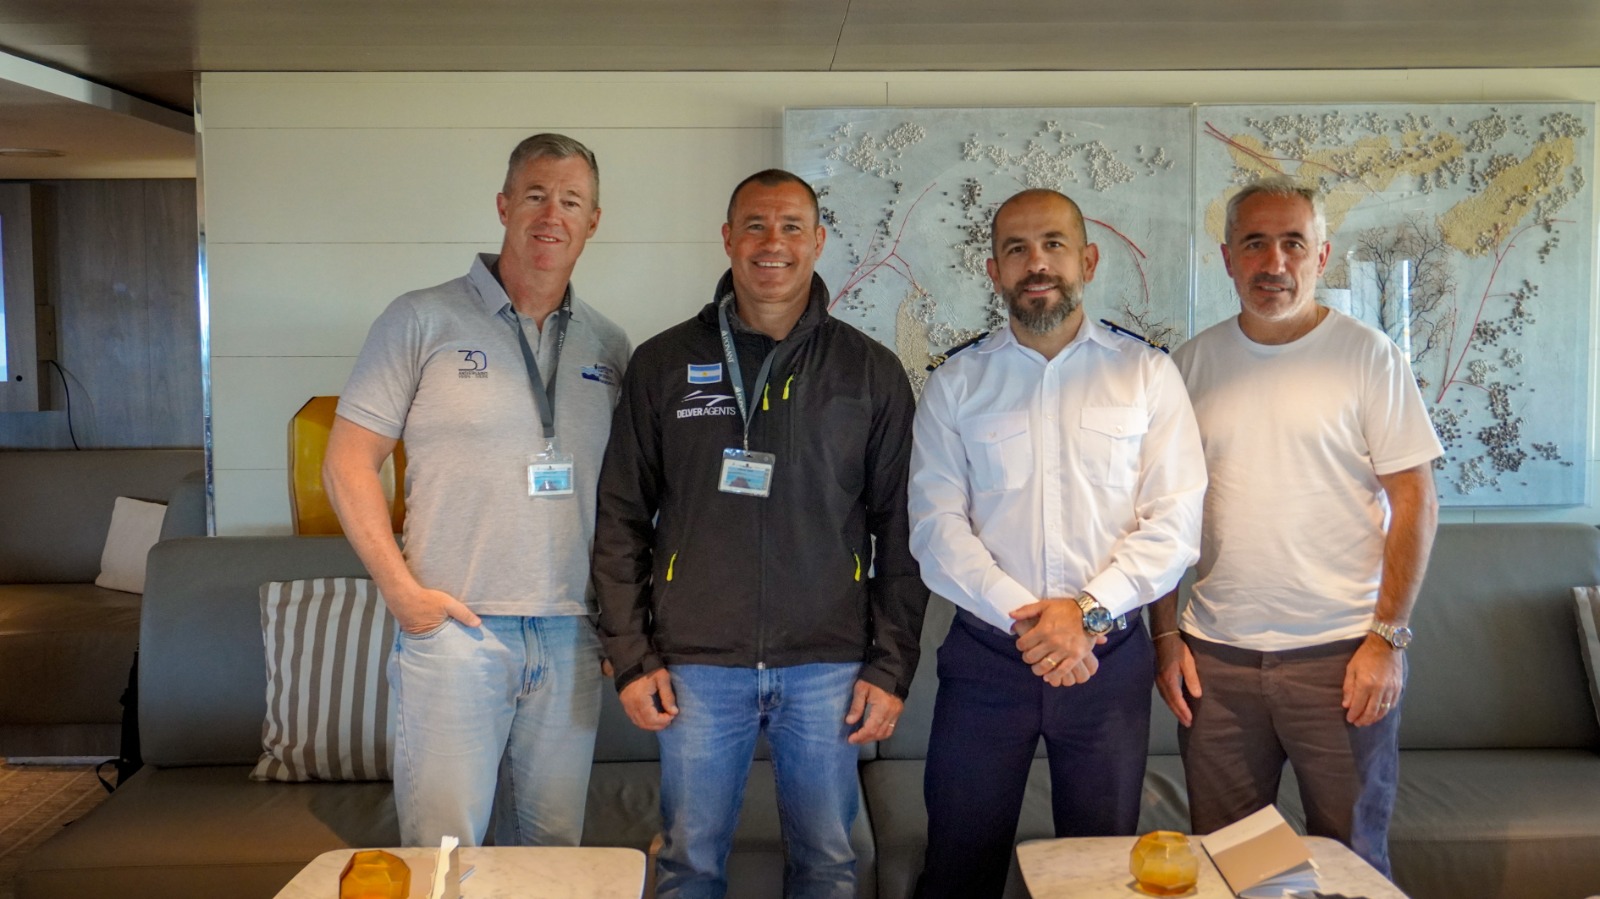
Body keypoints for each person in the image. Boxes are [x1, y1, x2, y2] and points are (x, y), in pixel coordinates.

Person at [593, 169, 927, 899]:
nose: (772, 242)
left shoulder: (869, 370)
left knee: (829, 865)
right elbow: (619, 517)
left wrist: (890, 666)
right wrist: (631, 655)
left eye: (790, 227)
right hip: (695, 664)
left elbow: (903, 532)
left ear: (818, 241)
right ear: (727, 238)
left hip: (828, 664)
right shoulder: (663, 363)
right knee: (688, 863)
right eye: (754, 225)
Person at [323, 133, 631, 847]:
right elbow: (347, 462)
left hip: (571, 634)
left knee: (552, 862)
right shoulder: (420, 318)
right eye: (535, 195)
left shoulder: (609, 345)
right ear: (503, 205)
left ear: (593, 221)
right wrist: (404, 595)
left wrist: (621, 621)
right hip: (456, 631)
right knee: (444, 857)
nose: (551, 214)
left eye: (571, 201)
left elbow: (628, 500)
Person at [908, 188, 1206, 898]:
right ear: (994, 271)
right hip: (986, 662)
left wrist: (1086, 614)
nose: (1035, 262)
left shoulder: (1147, 374)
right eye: (1016, 249)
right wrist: (1035, 621)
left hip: (1109, 662)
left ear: (1088, 261)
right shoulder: (956, 383)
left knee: (1099, 872)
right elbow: (935, 528)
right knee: (958, 865)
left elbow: (1174, 522)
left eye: (1053, 244)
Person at [1151, 175, 1442, 875]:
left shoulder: (1370, 357)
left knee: (1351, 865)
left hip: (1342, 659)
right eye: (1255, 243)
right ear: (1228, 258)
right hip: (1216, 663)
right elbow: (1157, 513)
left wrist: (1388, 638)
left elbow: (1415, 500)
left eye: (1293, 243)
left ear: (1322, 255)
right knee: (1231, 866)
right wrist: (1165, 637)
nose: (1274, 262)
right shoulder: (1188, 366)